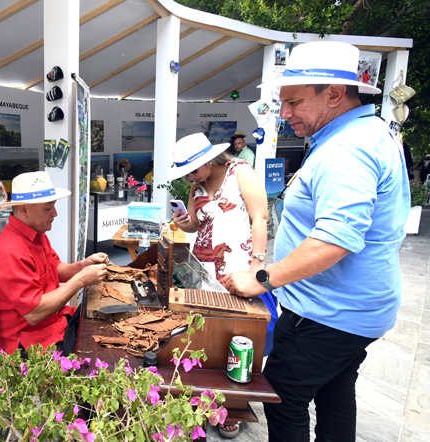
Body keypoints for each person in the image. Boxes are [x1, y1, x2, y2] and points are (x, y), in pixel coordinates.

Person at [223, 41, 410, 441]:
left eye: (294, 102)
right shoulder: (366, 131)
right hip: (355, 308)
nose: (285, 113)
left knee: (282, 394)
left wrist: (262, 278)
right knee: (334, 390)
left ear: (335, 94)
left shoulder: (348, 149)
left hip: (328, 313)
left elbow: (334, 240)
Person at [169, 133, 274, 439]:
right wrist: (183, 221)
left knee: (237, 336)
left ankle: (232, 406)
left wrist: (257, 267)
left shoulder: (240, 172)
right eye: (186, 172)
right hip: (203, 270)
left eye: (193, 169)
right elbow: (195, 224)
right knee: (208, 336)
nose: (190, 176)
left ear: (209, 159)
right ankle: (203, 400)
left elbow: (260, 218)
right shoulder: (196, 186)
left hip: (238, 269)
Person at [0, 171, 108, 354]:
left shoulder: (36, 233)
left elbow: (54, 269)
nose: (55, 213)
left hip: (53, 325)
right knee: (102, 350)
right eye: (47, 208)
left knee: (103, 325)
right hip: (29, 346)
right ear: (24, 210)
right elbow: (34, 313)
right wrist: (81, 279)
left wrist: (83, 266)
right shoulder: (10, 252)